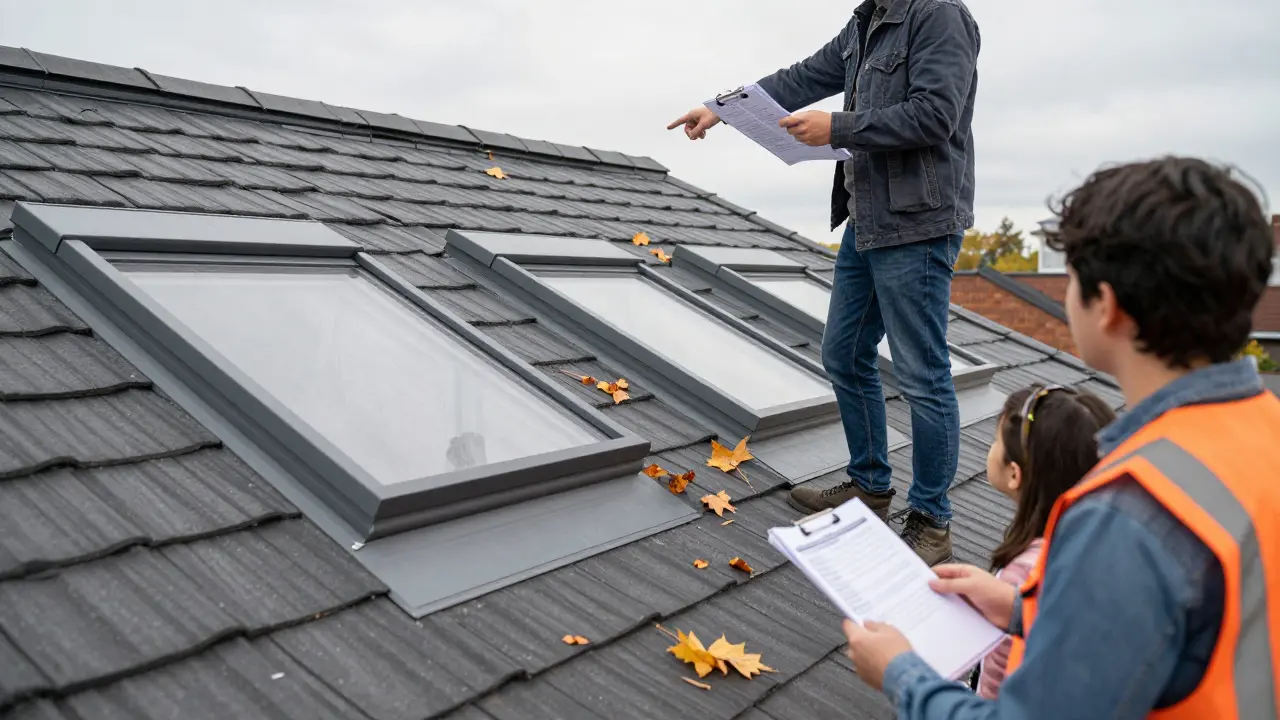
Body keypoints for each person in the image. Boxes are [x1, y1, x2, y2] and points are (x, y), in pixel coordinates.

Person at [840, 156, 1280, 718]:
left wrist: (902, 674)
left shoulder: (1129, 511)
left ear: (1109, 308)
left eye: (1072, 278)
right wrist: (1026, 610)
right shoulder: (1262, 429)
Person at [668, 0, 982, 565]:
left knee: (922, 373)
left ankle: (932, 519)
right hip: (867, 217)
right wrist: (721, 109)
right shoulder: (866, 22)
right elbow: (803, 77)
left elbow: (937, 114)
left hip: (918, 225)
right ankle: (870, 485)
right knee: (843, 353)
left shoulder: (938, 16)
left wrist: (837, 127)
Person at [974, 384, 1115, 698]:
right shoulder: (1099, 546)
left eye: (996, 440)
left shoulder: (1023, 575)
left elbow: (996, 693)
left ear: (1014, 474)